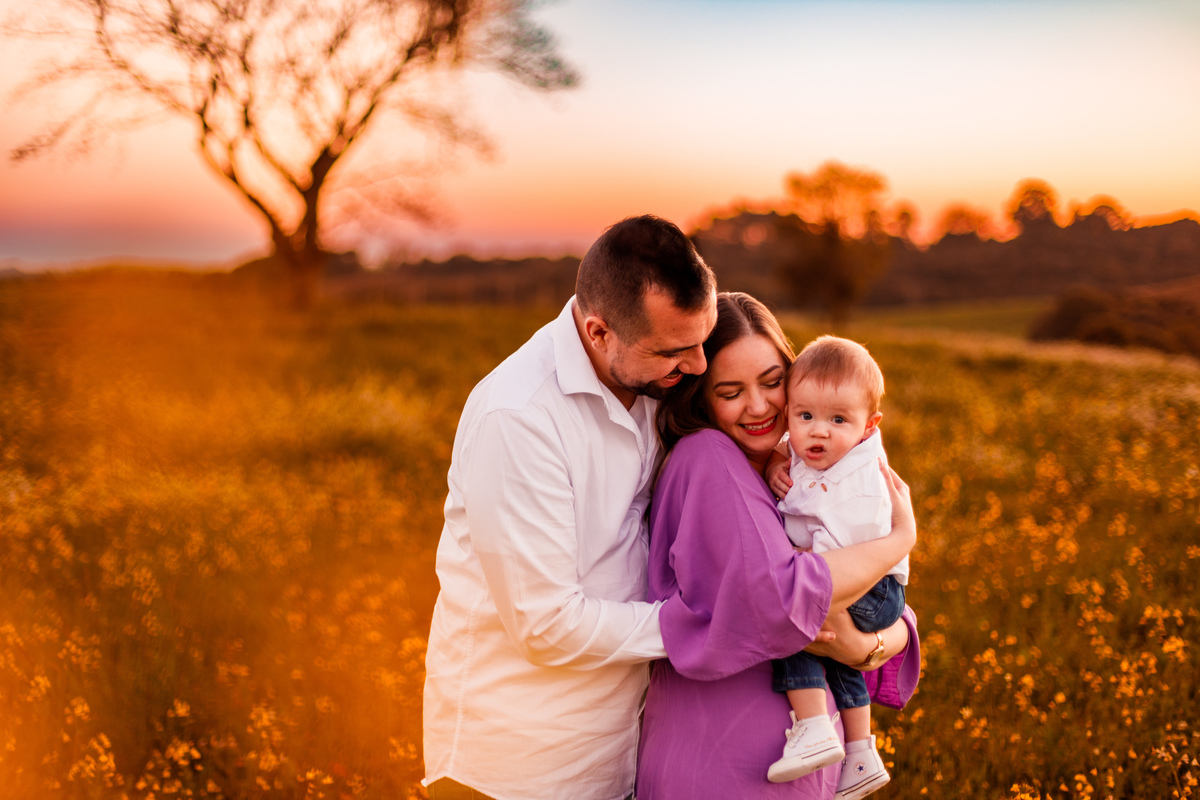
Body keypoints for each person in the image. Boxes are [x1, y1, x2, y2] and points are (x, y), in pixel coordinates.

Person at [422, 215, 718, 800]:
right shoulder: (519, 416)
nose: (699, 366)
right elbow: (547, 625)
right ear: (599, 331)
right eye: (673, 351)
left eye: (701, 340)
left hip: (620, 758)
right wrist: (708, 626)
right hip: (516, 768)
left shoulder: (656, 384)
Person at [637, 292, 920, 800]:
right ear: (701, 398)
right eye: (730, 392)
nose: (759, 406)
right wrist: (901, 540)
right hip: (727, 768)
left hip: (792, 771)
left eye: (772, 383)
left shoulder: (805, 470)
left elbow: (883, 604)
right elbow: (783, 600)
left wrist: (864, 645)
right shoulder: (708, 457)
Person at [765, 336, 908, 799]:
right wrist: (775, 460)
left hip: (874, 588)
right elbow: (786, 444)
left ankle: (813, 726)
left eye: (838, 420)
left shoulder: (860, 483)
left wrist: (797, 564)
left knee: (797, 617)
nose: (818, 432)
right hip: (865, 580)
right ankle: (861, 753)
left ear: (869, 426)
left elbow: (835, 567)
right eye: (805, 416)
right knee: (836, 654)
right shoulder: (819, 448)